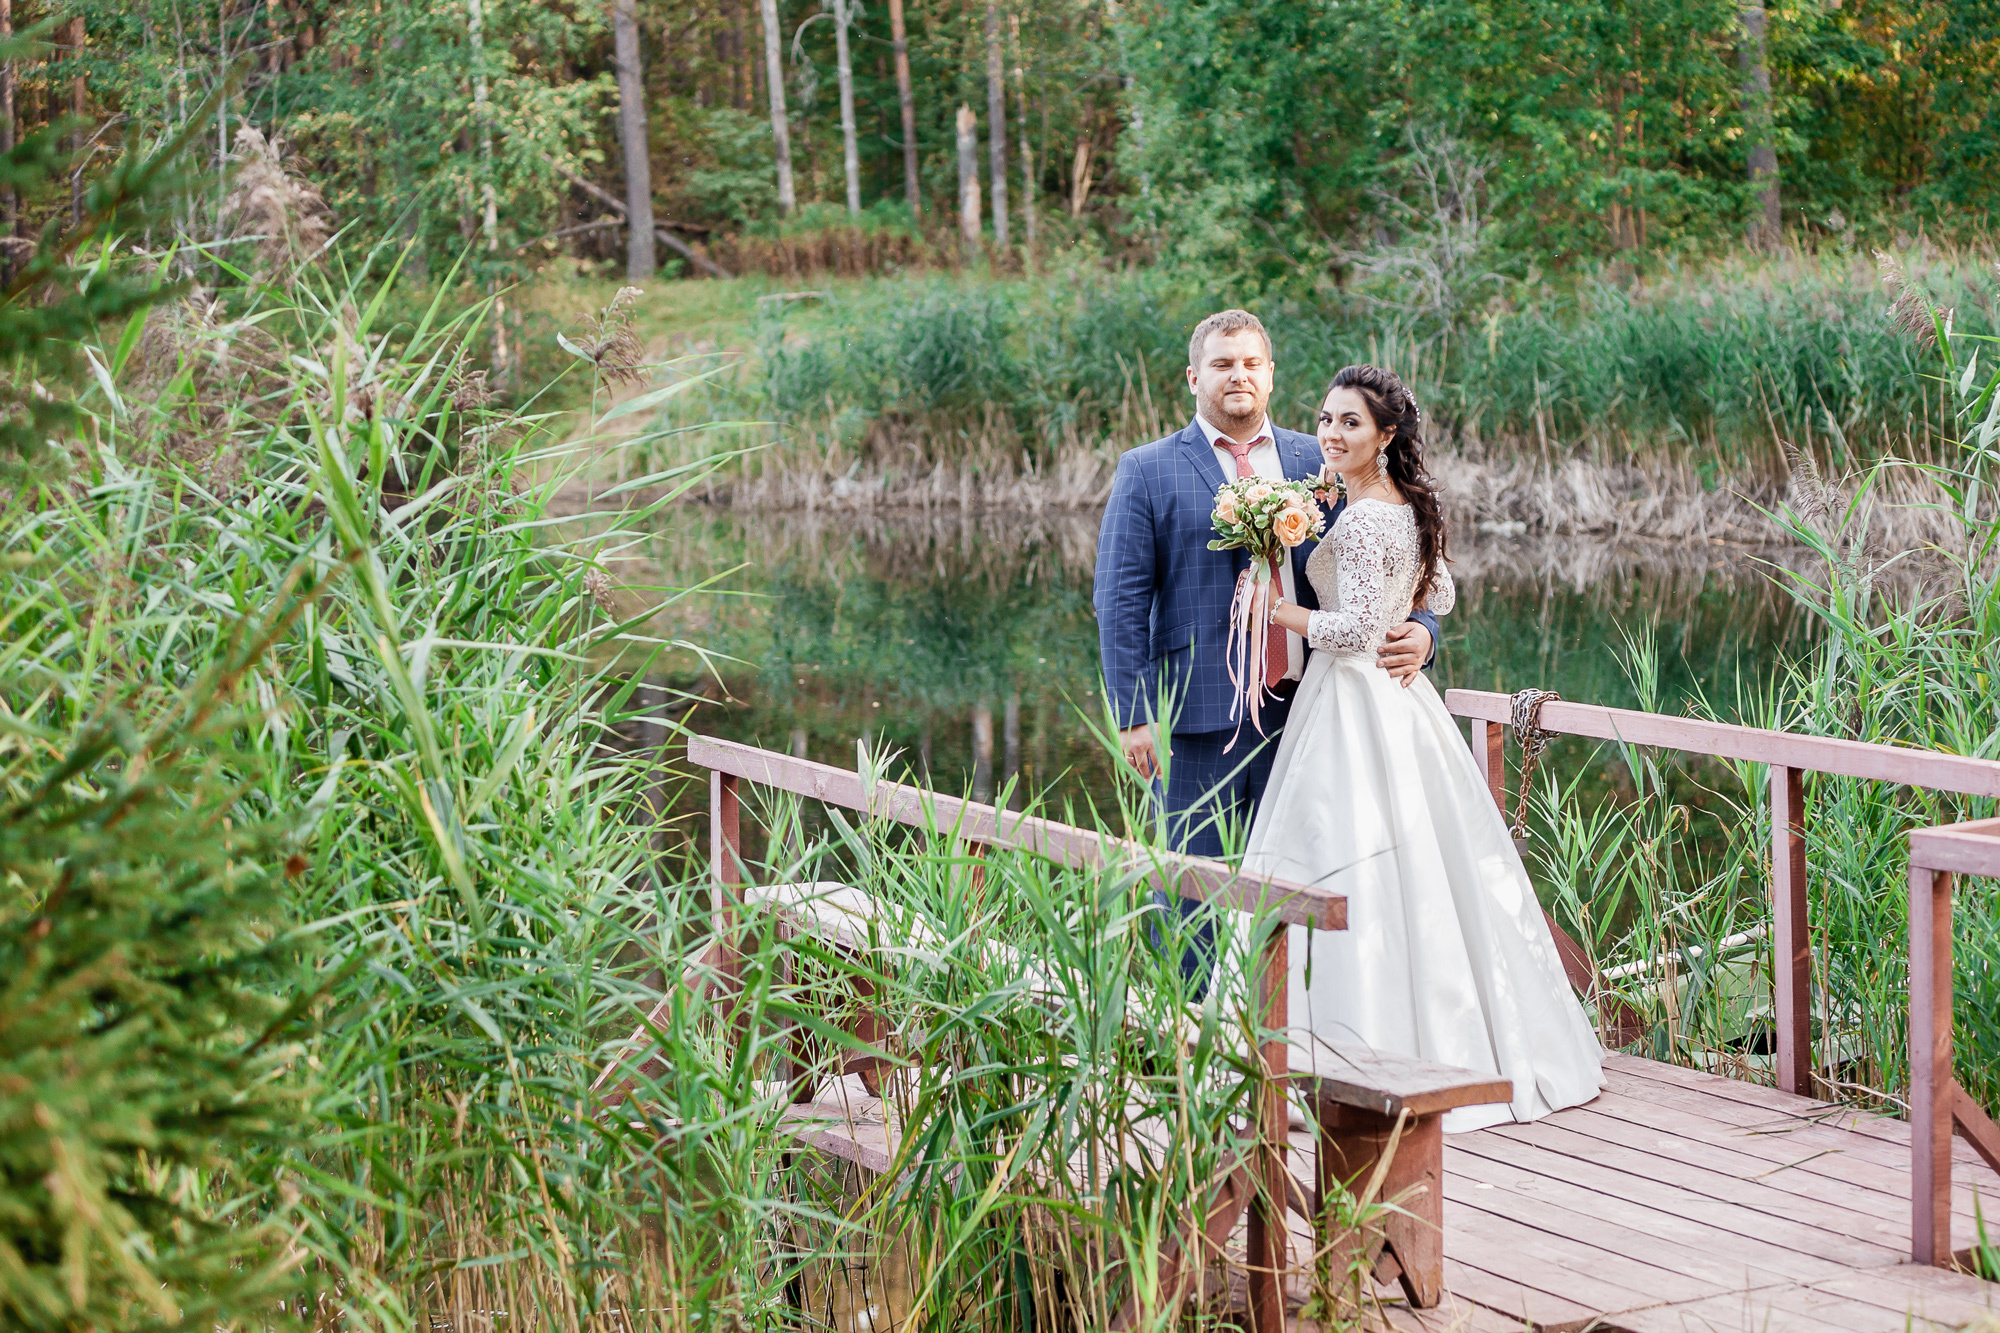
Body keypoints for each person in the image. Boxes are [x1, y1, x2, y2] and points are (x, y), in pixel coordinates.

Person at [1251, 363, 1603, 1131]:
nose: (1332, 433)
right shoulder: (1396, 504)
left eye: (1351, 422)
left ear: (1386, 435)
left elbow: (1356, 632)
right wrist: (1413, 619)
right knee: (1415, 859)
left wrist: (1283, 612)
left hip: (1352, 698)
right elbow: (1439, 591)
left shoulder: (1373, 515)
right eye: (1326, 418)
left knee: (1353, 853)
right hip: (1397, 705)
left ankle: (1350, 1045)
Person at [1093, 310, 1441, 986]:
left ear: (1271, 373)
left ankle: (1287, 1044)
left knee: (1310, 878)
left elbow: (1404, 543)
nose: (1239, 375)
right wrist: (1133, 713)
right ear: (1195, 377)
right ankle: (1189, 1050)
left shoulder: (1325, 457)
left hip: (1313, 713)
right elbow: (1120, 600)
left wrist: (1424, 628)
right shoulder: (1148, 470)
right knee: (1194, 893)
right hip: (1197, 720)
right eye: (1224, 364)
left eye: (1252, 362)